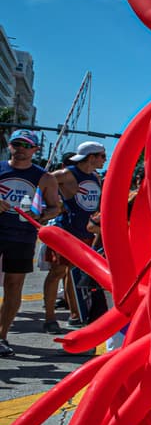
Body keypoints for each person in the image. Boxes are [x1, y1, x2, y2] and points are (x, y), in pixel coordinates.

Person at [0, 129, 64, 357]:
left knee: (14, 285)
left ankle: (2, 336)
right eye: (17, 144)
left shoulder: (44, 177)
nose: (21, 149)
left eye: (27, 145)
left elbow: (55, 208)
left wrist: (40, 215)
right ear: (10, 146)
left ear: (35, 149)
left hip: (22, 237)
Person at [43, 141, 106, 332]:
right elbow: (42, 181)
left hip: (86, 232)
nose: (104, 160)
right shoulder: (66, 174)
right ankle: (49, 318)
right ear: (91, 157)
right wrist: (53, 204)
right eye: (102, 156)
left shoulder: (95, 177)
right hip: (66, 231)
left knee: (75, 273)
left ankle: (75, 313)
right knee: (57, 272)